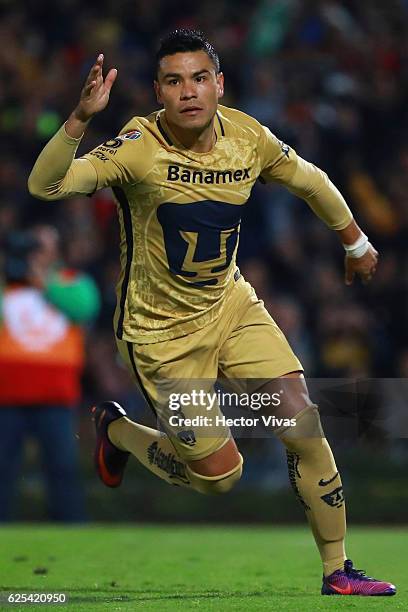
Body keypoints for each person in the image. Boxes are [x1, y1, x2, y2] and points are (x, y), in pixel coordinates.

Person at [28, 29, 396, 595]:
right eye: (174, 81)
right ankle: (119, 431)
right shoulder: (138, 146)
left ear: (219, 84)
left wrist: (355, 242)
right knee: (222, 479)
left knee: (302, 418)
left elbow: (309, 180)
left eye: (200, 78)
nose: (189, 92)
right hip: (160, 335)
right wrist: (79, 118)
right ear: (158, 91)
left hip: (230, 304)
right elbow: (44, 185)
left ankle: (337, 570)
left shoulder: (247, 136)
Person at [0, 225, 100, 521]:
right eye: (32, 247)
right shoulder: (8, 285)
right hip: (7, 394)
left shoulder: (72, 282)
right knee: (3, 467)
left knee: (62, 466)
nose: (37, 254)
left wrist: (45, 282)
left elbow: (84, 308)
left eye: (42, 247)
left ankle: (70, 525)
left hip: (56, 395)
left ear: (56, 250)